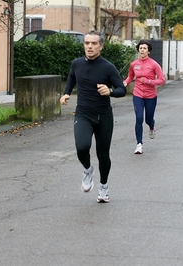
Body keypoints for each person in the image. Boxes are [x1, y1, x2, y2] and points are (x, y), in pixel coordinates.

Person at [59, 30, 126, 203]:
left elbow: (122, 90)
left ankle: (103, 187)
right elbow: (72, 78)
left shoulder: (108, 67)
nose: (89, 46)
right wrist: (66, 93)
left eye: (94, 43)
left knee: (103, 154)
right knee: (82, 147)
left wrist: (109, 91)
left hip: (103, 116)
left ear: (101, 46)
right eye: (87, 43)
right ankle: (88, 169)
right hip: (83, 114)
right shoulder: (76, 64)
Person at [123, 40, 165, 155]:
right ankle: (139, 144)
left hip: (151, 95)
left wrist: (149, 81)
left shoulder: (154, 64)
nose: (142, 50)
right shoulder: (133, 64)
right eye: (140, 48)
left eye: (144, 48)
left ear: (149, 51)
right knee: (139, 118)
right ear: (138, 50)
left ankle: (152, 126)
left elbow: (162, 80)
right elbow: (130, 77)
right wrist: (125, 83)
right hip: (137, 94)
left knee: (148, 119)